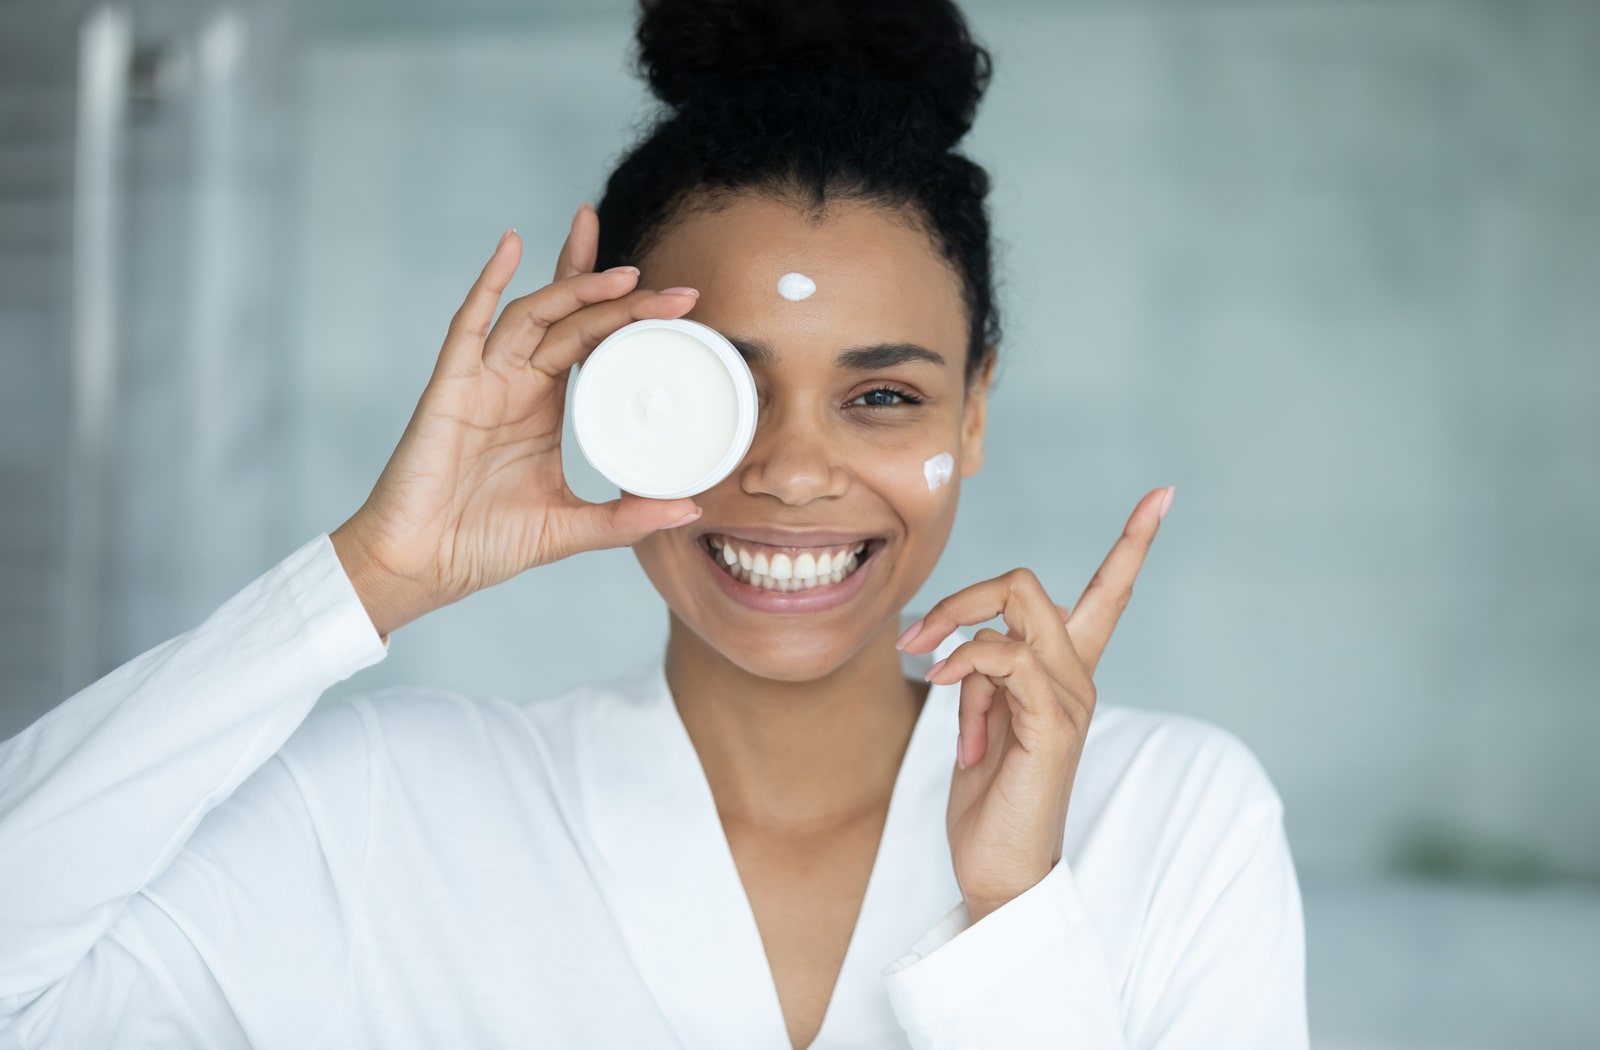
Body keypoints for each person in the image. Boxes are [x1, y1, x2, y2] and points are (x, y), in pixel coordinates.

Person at [0, 1, 1308, 1047]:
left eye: (883, 396)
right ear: (605, 393)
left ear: (973, 411)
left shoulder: (1166, 814)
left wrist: (1016, 916)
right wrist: (371, 573)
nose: (792, 473)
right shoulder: (387, 808)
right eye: (717, 388)